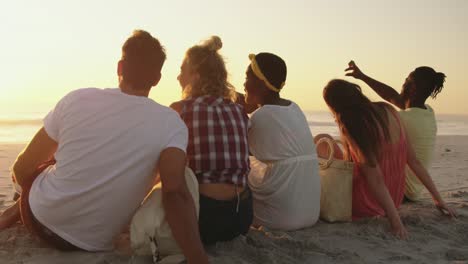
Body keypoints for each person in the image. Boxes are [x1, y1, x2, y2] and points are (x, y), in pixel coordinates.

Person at [0, 30, 208, 263]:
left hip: (40, 220)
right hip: (95, 241)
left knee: (51, 162)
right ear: (157, 79)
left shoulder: (77, 99)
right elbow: (174, 193)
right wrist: (199, 258)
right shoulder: (171, 123)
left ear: (120, 68)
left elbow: (22, 168)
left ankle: (14, 210)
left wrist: (29, 194)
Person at [316, 79, 456, 239]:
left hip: (368, 203)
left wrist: (396, 224)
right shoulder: (389, 110)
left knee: (321, 139)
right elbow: (414, 161)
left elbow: (375, 180)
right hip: (394, 197)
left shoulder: (353, 124)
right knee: (327, 139)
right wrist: (439, 201)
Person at [170, 36, 252, 245]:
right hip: (242, 217)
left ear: (195, 77)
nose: (178, 77)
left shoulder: (180, 110)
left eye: (182, 71)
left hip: (205, 218)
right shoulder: (238, 110)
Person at [345, 61, 446, 201]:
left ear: (412, 88)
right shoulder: (427, 112)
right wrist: (363, 77)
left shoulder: (403, 119)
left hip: (399, 191)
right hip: (414, 191)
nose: (402, 84)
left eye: (406, 81)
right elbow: (393, 97)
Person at [244, 52, 320, 230]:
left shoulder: (260, 117)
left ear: (262, 84)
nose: (244, 84)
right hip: (311, 214)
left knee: (237, 165)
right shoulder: (294, 107)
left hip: (282, 219)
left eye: (247, 77)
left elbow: (238, 150)